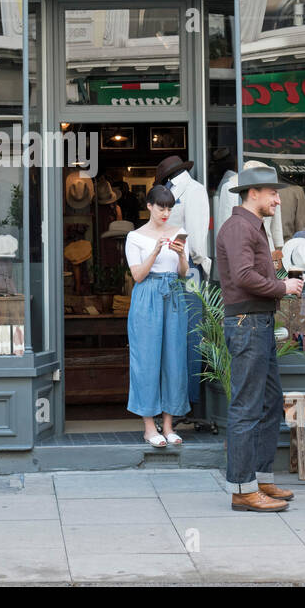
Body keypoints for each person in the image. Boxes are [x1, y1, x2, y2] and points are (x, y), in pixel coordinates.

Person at [215, 166, 303, 513]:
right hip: (247, 322)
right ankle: (242, 489)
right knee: (247, 406)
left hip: (257, 321)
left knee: (268, 403)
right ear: (254, 193)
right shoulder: (239, 227)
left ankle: (260, 478)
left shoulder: (251, 226)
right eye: (273, 194)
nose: (279, 200)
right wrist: (284, 286)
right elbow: (243, 276)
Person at [124, 184, 191, 447]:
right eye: (161, 207)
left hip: (173, 293)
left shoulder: (180, 233)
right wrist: (154, 252)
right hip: (147, 295)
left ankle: (168, 425)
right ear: (149, 206)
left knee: (174, 360)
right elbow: (138, 276)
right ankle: (149, 427)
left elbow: (184, 273)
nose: (165, 213)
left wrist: (181, 255)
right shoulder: (135, 237)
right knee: (147, 360)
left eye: (170, 209)